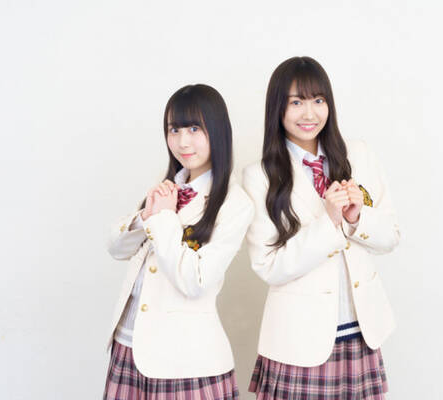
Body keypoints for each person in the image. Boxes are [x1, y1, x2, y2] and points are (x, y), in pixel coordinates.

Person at [243, 56, 400, 399]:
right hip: (298, 340)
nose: (309, 113)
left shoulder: (358, 154)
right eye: (296, 102)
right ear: (277, 108)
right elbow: (269, 266)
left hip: (360, 332)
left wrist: (357, 218)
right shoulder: (260, 176)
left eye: (318, 100)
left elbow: (391, 236)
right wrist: (329, 223)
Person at [104, 84, 253, 400]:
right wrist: (145, 216)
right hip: (129, 345)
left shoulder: (235, 203)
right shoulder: (168, 188)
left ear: (217, 130)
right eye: (174, 129)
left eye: (194, 129)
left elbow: (193, 281)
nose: (182, 142)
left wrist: (163, 218)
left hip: (184, 360)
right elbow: (117, 248)